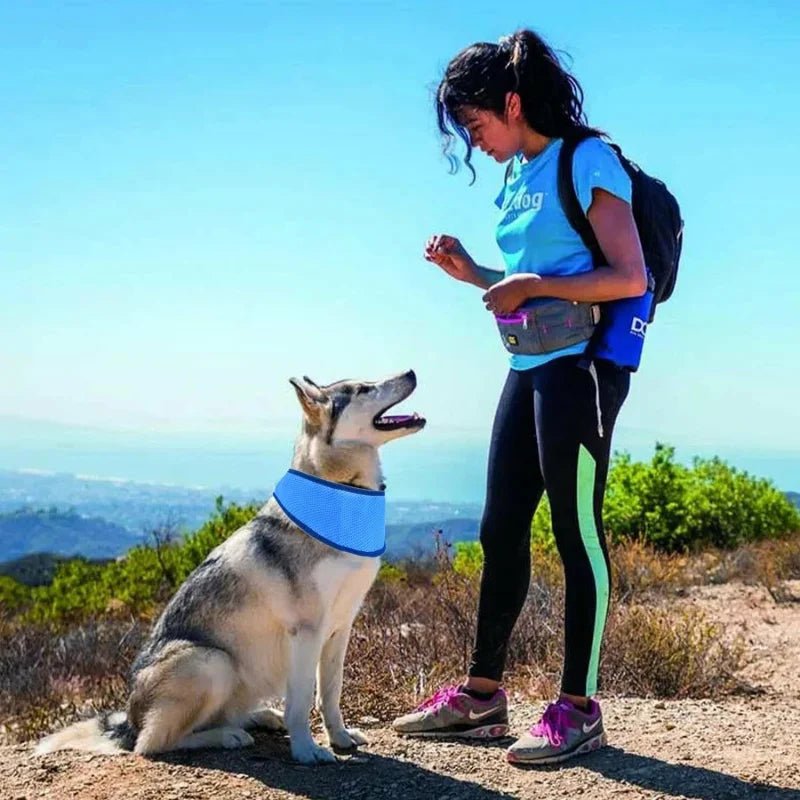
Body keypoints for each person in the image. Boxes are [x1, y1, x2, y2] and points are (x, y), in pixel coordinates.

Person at [392, 28, 648, 766]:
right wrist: (473, 271)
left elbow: (627, 276)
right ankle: (482, 696)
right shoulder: (520, 172)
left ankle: (578, 706)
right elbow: (523, 284)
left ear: (511, 102)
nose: (476, 144)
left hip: (582, 371)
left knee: (577, 533)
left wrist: (532, 284)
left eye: (476, 125)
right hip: (530, 364)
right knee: (501, 526)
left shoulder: (585, 160)